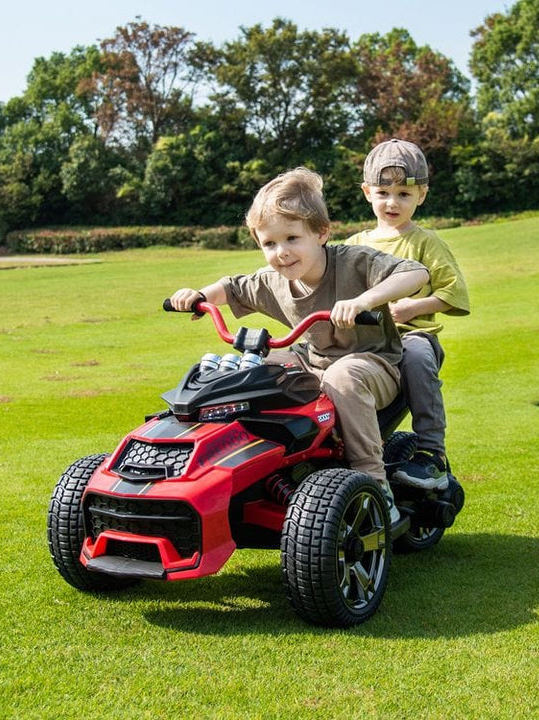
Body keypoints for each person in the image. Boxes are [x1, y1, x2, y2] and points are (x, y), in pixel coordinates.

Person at [169, 167, 428, 524]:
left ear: (321, 232)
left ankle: (375, 482)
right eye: (269, 244)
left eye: (292, 238)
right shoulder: (273, 280)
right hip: (314, 360)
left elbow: (416, 273)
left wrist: (364, 301)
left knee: (342, 375)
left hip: (374, 365)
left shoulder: (354, 262)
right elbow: (231, 287)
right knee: (253, 372)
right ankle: (260, 466)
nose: (282, 253)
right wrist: (199, 295)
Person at [346, 138, 470, 490]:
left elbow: (453, 292)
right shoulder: (354, 245)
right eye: (383, 193)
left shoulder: (425, 242)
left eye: (403, 194)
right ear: (367, 193)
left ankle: (431, 453)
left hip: (410, 336)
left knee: (417, 358)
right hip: (364, 341)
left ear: (421, 195)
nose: (392, 202)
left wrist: (415, 306)